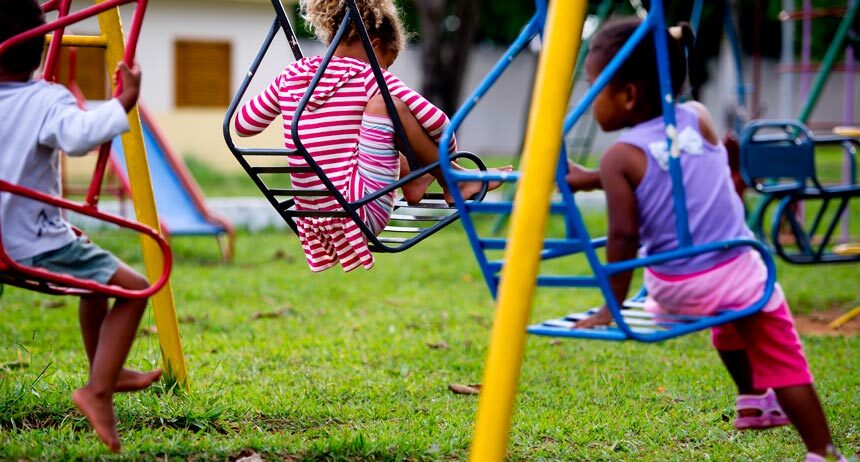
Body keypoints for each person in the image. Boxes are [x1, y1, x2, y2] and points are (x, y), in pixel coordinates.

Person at [565, 18, 845, 462]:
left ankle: (752, 400)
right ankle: (823, 451)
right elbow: (660, 174)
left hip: (672, 287)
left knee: (727, 321)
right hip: (734, 274)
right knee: (781, 353)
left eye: (594, 88)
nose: (589, 100)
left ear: (629, 95)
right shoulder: (698, 118)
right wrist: (590, 181)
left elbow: (625, 232)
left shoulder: (620, 156)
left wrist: (609, 307)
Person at [234, 0, 511, 272]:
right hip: (361, 209)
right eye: (387, 64)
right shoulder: (371, 78)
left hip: (315, 218)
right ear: (374, 44)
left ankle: (413, 179)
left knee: (360, 129)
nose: (385, 71)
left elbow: (244, 125)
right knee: (386, 105)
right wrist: (443, 153)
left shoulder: (291, 75)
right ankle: (451, 179)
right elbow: (440, 124)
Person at [0, 0, 160, 453]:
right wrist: (123, 103)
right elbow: (78, 138)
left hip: (3, 244)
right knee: (135, 288)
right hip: (33, 243)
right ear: (37, 48)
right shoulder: (43, 98)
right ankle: (97, 390)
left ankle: (104, 369)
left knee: (93, 276)